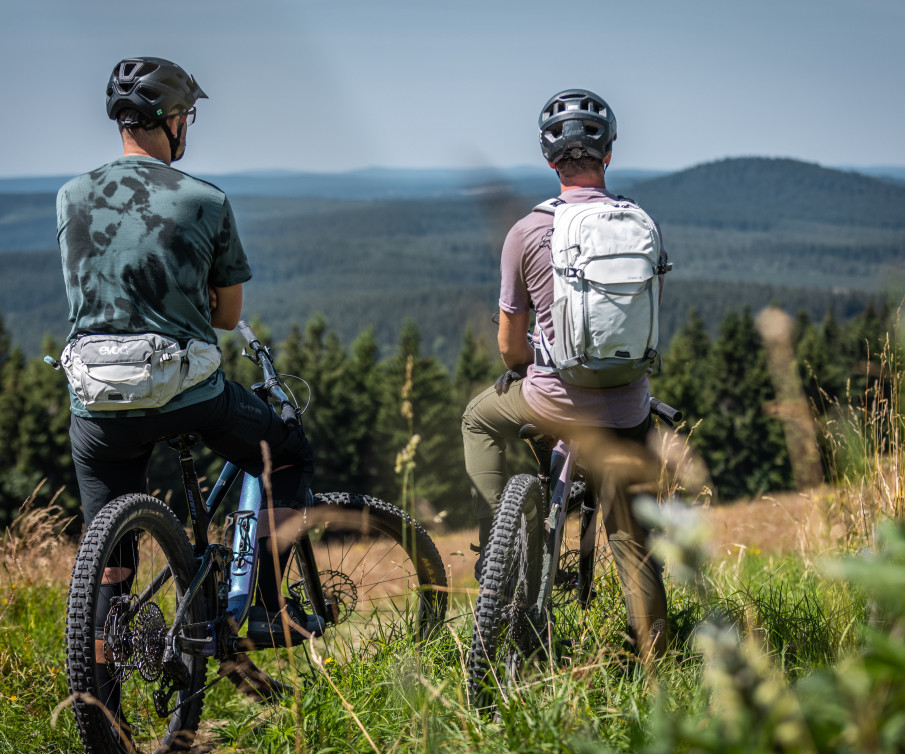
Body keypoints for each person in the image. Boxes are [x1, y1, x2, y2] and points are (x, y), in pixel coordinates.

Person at [56, 57, 324, 690]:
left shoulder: (69, 195)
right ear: (171, 121)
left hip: (96, 397)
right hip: (184, 391)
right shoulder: (205, 199)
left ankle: (99, 694)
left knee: (109, 549)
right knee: (285, 453)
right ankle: (264, 605)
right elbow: (229, 315)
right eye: (187, 116)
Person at [461, 88, 668, 659]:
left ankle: (500, 545)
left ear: (549, 159)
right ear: (610, 153)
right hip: (628, 406)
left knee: (479, 418)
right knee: (632, 536)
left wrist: (531, 369)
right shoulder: (641, 223)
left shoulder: (527, 232)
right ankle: (651, 658)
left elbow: (509, 346)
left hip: (551, 401)